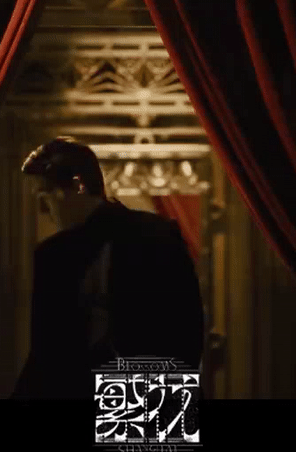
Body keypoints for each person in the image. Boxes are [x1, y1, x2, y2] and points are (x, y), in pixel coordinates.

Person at [11, 137, 204, 399]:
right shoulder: (53, 256)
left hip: (148, 395)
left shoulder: (154, 237)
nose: (45, 210)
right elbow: (47, 353)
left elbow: (184, 332)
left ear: (78, 186)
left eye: (47, 195)